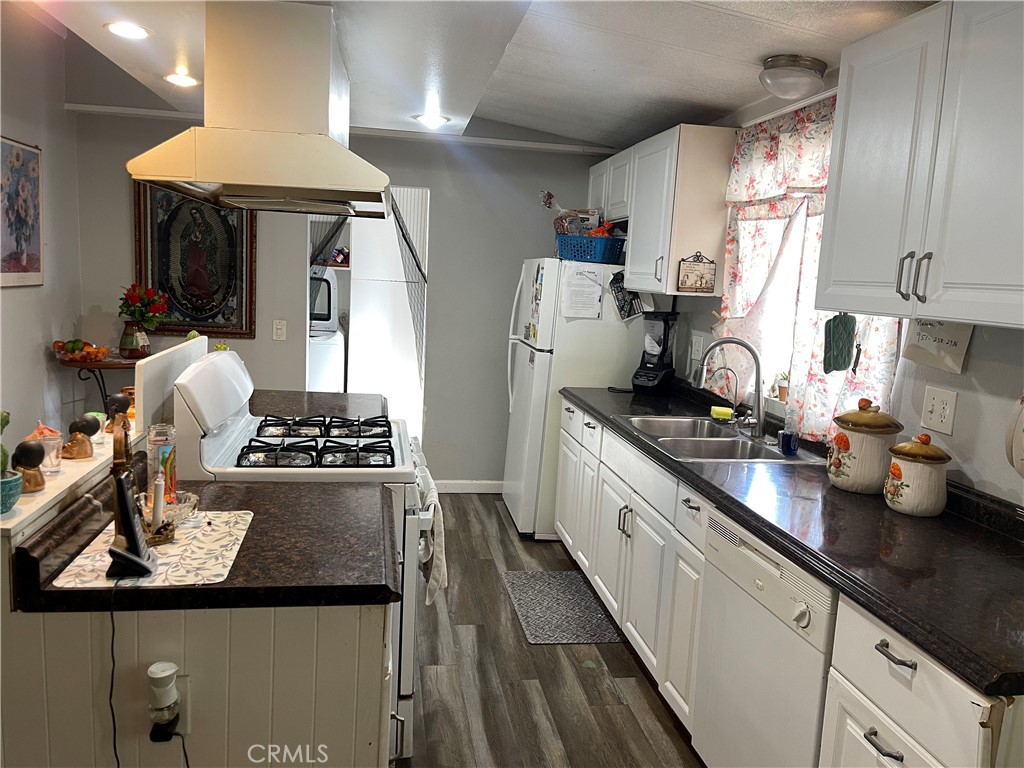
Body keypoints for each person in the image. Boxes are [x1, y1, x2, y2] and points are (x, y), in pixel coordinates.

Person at [181, 207, 218, 299]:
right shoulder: (190, 225)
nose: (195, 215)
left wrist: (204, 241)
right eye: (193, 214)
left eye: (196, 213)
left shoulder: (208, 226)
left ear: (200, 213)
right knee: (192, 268)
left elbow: (213, 241)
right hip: (192, 252)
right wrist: (191, 239)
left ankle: (204, 291)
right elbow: (183, 239)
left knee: (202, 270)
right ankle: (192, 290)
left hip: (203, 253)